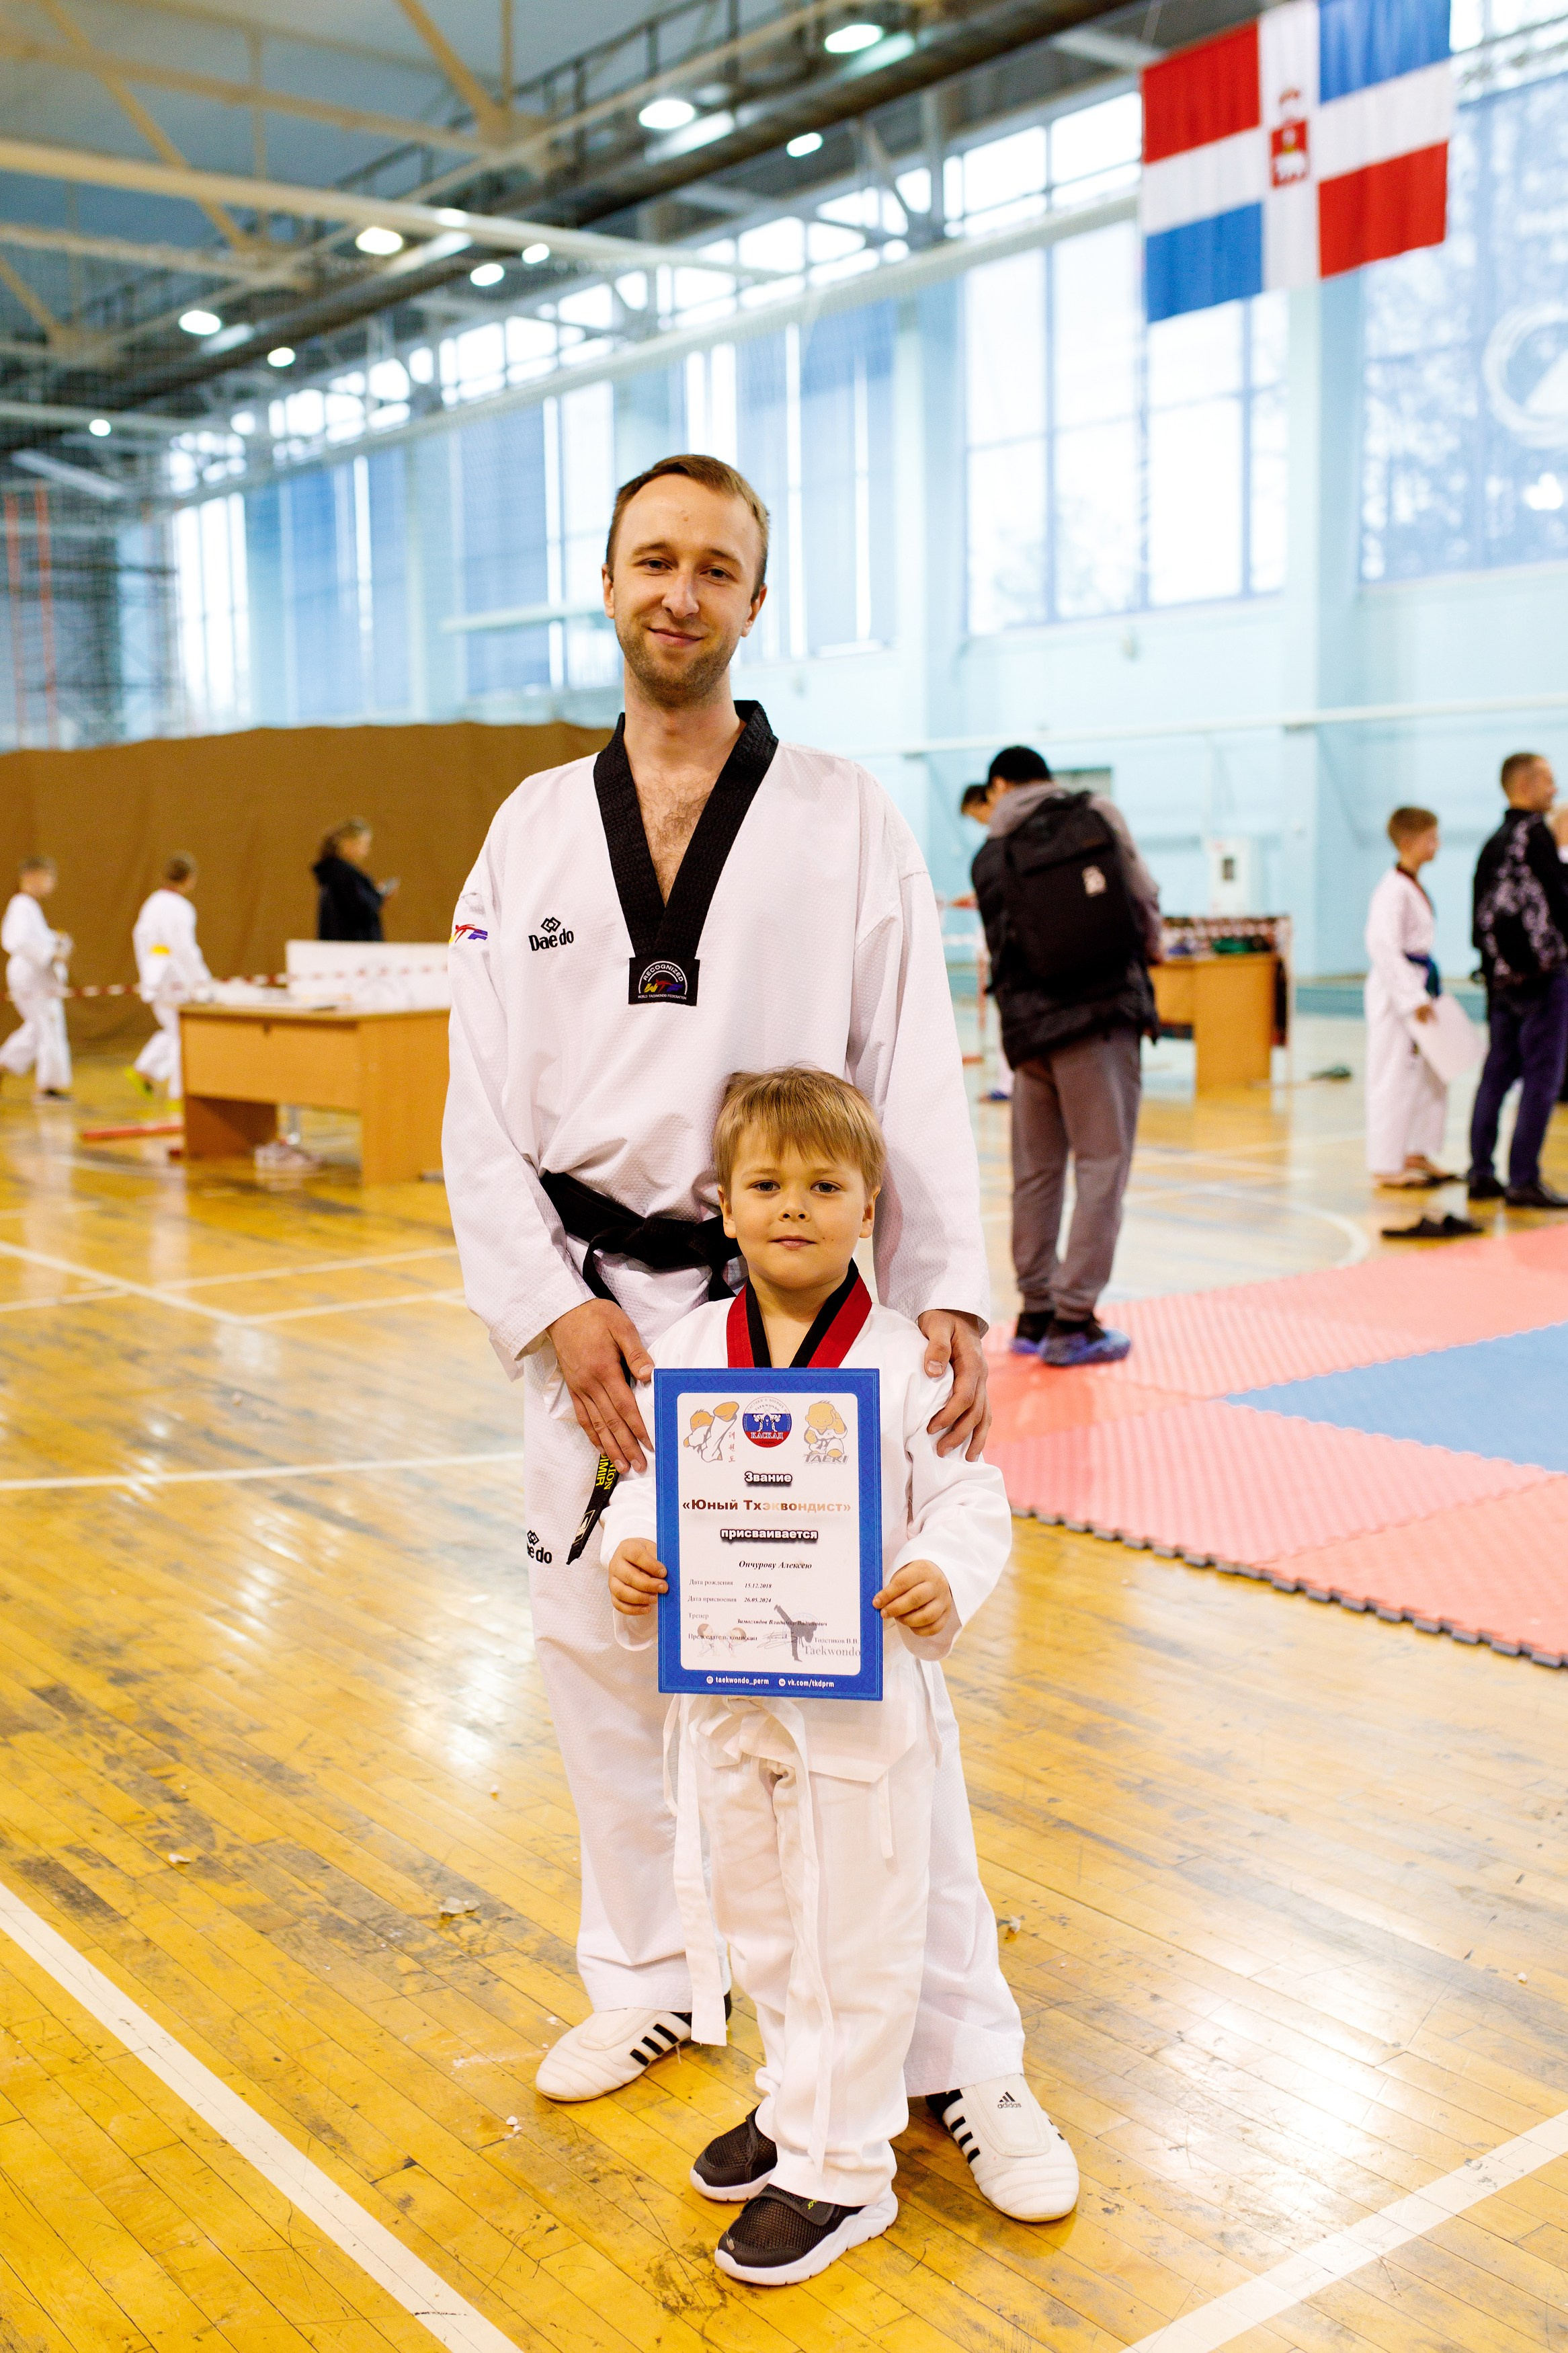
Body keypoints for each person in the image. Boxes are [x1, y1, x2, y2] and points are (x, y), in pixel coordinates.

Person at [444, 452, 1072, 2221]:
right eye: (654, 558)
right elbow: (474, 1100)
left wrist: (949, 1287)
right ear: (605, 576)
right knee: (599, 1652)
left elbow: (910, 1063)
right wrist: (550, 1308)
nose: (680, 590)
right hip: (594, 1309)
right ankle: (654, 1982)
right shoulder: (527, 830)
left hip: (793, 1311)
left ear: (753, 598)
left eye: (715, 566)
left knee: (867, 1693)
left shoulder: (843, 812)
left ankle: (960, 2051)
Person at [604, 1069, 1073, 2284]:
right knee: (761, 1920)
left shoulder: (911, 1360)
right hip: (729, 1686)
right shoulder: (690, 1348)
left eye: (825, 1186)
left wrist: (940, 1575)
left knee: (854, 1931)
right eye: (766, 1185)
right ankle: (794, 2097)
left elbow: (969, 1498)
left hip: (860, 1698)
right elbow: (648, 1485)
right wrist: (633, 1550)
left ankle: (844, 2172)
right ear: (722, 1204)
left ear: (870, 1207)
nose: (793, 1208)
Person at [973, 748, 1161, 1365]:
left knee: (1036, 1172)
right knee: (1102, 1166)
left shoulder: (991, 849)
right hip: (1099, 1016)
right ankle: (1075, 1320)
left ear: (1000, 785)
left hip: (1027, 1031)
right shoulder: (1093, 813)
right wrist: (1148, 956)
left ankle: (1034, 1311)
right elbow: (1140, 889)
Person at [1469, 752, 1568, 1210]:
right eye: (1548, 780)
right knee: (1541, 1078)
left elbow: (1478, 919)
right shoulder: (1535, 836)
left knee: (1495, 1075)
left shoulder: (1492, 844)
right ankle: (1524, 1177)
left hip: (1500, 981)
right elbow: (1559, 904)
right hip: (1542, 978)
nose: (1555, 788)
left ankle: (1481, 1171)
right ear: (1525, 785)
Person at [1364, 808, 1454, 1188]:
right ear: (1408, 842)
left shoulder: (1410, 883)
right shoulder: (1392, 889)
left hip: (1421, 982)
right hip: (1398, 989)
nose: (1437, 845)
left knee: (1433, 1074)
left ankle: (1417, 1149)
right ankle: (1386, 1164)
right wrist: (1411, 996)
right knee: (1393, 1075)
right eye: (1431, 838)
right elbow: (1382, 946)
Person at [130, 854, 212, 1102]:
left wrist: (147, 972)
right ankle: (182, 1095)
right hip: (176, 978)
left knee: (174, 1029)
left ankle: (145, 1071)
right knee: (186, 1035)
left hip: (155, 976)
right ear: (190, 879)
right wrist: (202, 981)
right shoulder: (180, 907)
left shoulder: (152, 903)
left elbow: (140, 938)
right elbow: (185, 948)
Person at [0, 856, 71, 1100]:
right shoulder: (21, 904)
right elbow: (16, 940)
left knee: (38, 1029)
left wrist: (56, 942)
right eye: (48, 877)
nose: (52, 883)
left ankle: (4, 1064)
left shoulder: (29, 906)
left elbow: (37, 939)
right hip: (30, 979)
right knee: (47, 1027)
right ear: (31, 877)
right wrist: (50, 955)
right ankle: (49, 1088)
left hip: (37, 978)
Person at [313, 820, 398, 942]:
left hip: (340, 950)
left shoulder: (335, 873)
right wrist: (378, 897)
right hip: (353, 951)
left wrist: (374, 895)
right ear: (348, 844)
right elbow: (361, 908)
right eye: (364, 845)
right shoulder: (344, 874)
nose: (367, 851)